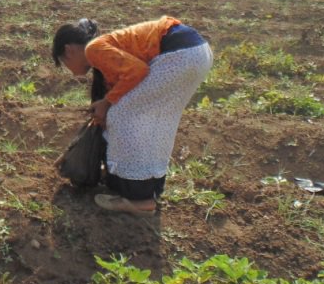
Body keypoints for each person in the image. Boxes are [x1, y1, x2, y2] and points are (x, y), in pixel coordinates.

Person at [51, 16, 213, 215]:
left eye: (64, 62)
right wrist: (74, 151)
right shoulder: (103, 53)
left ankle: (138, 199)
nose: (70, 71)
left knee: (122, 116)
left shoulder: (93, 50)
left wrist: (107, 103)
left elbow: (137, 72)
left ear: (69, 50)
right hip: (195, 53)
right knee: (153, 121)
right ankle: (146, 188)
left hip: (180, 55)